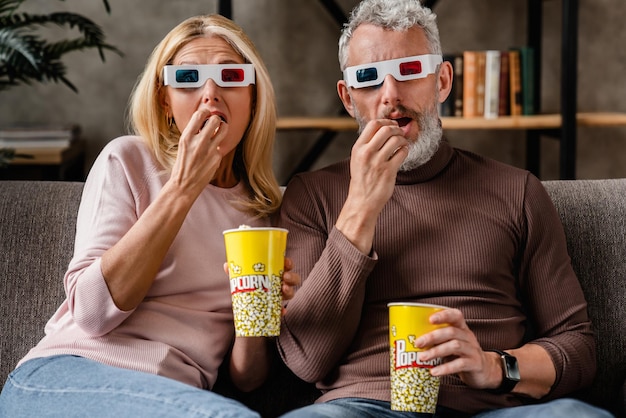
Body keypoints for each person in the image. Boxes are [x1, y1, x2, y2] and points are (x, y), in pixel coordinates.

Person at [275, 1, 613, 417]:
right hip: (360, 407)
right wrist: (361, 205)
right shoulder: (311, 195)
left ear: (443, 81)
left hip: (494, 410)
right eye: (368, 78)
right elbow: (306, 360)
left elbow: (577, 346)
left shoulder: (518, 191)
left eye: (411, 71)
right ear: (348, 97)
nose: (391, 97)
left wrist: (494, 366)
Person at [0, 14, 299, 418]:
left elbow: (247, 379)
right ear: (166, 101)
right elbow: (91, 314)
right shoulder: (128, 160)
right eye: (188, 78)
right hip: (65, 377)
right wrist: (183, 188)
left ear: (253, 95)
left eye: (230, 75)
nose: (210, 93)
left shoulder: (264, 212)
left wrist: (254, 318)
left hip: (175, 398)